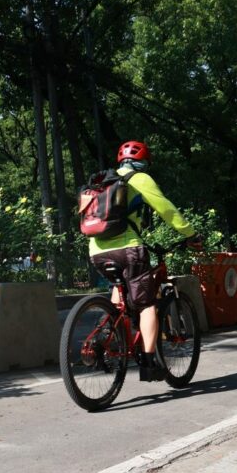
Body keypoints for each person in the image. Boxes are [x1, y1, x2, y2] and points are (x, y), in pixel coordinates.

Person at [88, 140, 203, 382]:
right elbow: (167, 210)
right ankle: (150, 364)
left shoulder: (103, 182)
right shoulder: (139, 179)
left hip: (96, 250)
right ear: (144, 162)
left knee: (120, 288)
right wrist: (190, 235)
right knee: (147, 304)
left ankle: (107, 331)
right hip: (128, 248)